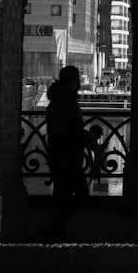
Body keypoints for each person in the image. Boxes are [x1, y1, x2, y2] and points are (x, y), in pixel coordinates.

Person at [44, 65, 92, 242]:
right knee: (80, 196)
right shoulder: (66, 102)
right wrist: (88, 138)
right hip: (67, 157)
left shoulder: (58, 100)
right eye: (78, 78)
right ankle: (56, 227)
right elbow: (70, 131)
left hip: (61, 156)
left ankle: (57, 230)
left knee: (63, 196)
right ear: (73, 82)